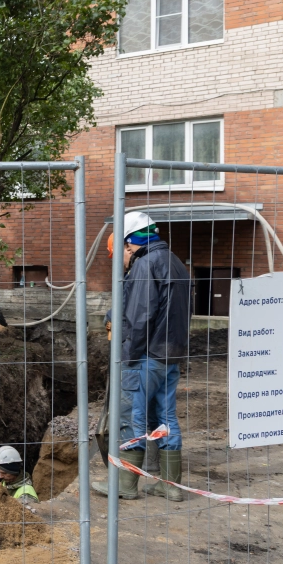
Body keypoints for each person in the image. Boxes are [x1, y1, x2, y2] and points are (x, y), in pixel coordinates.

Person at [92, 212, 190, 501]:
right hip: (169, 356)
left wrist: (125, 359)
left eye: (119, 253)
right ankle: (170, 486)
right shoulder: (175, 262)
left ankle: (125, 485)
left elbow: (139, 318)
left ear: (129, 244)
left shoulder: (145, 265)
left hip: (144, 356)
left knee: (129, 418)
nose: (119, 262)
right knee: (166, 417)